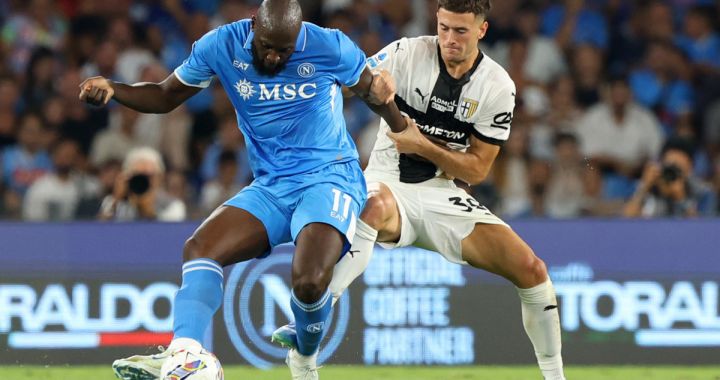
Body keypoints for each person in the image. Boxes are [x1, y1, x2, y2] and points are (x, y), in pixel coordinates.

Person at [79, 1, 407, 379]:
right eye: (268, 45)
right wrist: (114, 88)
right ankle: (183, 354)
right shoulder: (220, 45)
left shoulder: (329, 45)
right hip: (270, 185)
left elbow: (372, 92)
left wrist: (401, 130)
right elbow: (166, 95)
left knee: (309, 280)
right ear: (254, 25)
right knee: (200, 248)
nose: (274, 56)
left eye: (285, 50)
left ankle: (303, 359)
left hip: (328, 176)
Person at [272, 1, 566, 379]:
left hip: (442, 194)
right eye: (443, 28)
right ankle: (307, 339)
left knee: (532, 270)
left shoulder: (498, 86)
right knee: (372, 206)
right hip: (385, 180)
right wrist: (356, 86)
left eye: (460, 31)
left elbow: (477, 169)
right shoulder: (406, 52)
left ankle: (556, 376)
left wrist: (423, 145)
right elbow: (345, 85)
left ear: (482, 30)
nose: (449, 39)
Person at [623, 138, 716, 218]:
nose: (673, 173)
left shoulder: (704, 193)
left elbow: (703, 232)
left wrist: (681, 198)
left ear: (690, 168)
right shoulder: (649, 185)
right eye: (670, 167)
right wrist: (644, 188)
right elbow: (626, 223)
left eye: (678, 168)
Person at [98, 146, 186, 222]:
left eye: (149, 176)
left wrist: (147, 210)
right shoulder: (114, 202)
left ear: (159, 178)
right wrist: (116, 200)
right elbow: (98, 231)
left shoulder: (173, 205)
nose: (144, 181)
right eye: (138, 176)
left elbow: (169, 234)